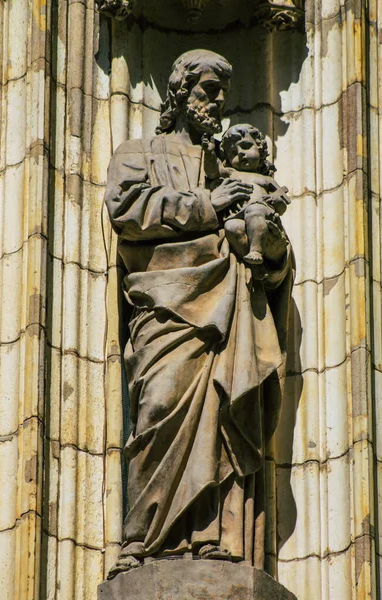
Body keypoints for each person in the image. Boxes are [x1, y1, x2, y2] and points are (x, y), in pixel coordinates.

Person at [105, 49, 294, 578]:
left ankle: (219, 538)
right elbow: (128, 210)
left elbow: (272, 258)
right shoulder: (139, 152)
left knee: (225, 413)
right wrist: (208, 205)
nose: (215, 102)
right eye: (207, 90)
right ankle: (143, 539)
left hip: (231, 309)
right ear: (179, 92)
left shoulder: (233, 165)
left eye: (221, 93)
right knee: (160, 406)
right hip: (165, 308)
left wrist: (273, 250)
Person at [201, 124, 290, 279]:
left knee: (254, 212)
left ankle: (256, 250)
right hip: (237, 214)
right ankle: (254, 265)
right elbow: (213, 171)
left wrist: (275, 199)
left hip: (259, 211)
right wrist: (209, 153)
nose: (241, 154)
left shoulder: (265, 179)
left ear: (260, 149)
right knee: (231, 227)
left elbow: (282, 201)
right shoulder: (231, 173)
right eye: (233, 153)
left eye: (246, 146)